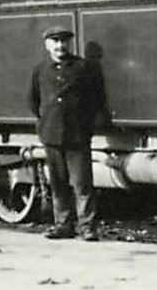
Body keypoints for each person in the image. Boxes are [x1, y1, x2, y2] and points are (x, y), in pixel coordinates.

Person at [28, 24, 111, 241]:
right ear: (47, 45)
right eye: (55, 42)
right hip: (51, 134)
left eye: (63, 41)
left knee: (82, 183)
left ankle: (87, 227)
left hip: (77, 133)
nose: (60, 46)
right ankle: (62, 225)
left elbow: (96, 99)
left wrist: (85, 124)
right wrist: (45, 122)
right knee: (58, 182)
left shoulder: (82, 67)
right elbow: (33, 100)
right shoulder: (40, 70)